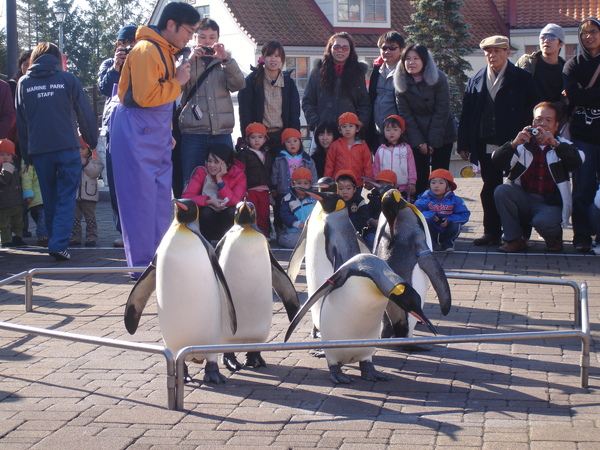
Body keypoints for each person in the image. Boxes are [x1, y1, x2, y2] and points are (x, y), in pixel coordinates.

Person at [108, 3, 199, 272]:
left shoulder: (164, 50)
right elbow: (145, 96)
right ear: (171, 24)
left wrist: (167, 130)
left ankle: (160, 262)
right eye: (189, 30)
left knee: (160, 200)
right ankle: (141, 268)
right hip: (137, 128)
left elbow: (157, 98)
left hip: (151, 129)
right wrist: (179, 81)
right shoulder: (148, 49)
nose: (189, 37)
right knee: (139, 201)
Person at [16, 42, 98, 261]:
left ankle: (55, 240)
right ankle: (58, 242)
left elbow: (22, 122)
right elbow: (84, 112)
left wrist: (26, 155)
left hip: (40, 150)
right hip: (67, 147)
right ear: (57, 59)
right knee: (66, 197)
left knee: (49, 197)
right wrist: (91, 141)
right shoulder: (68, 80)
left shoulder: (24, 83)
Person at [457, 35, 539, 246]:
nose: (492, 56)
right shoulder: (476, 79)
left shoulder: (522, 78)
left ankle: (519, 233)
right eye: (488, 52)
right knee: (489, 188)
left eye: (497, 51)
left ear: (507, 52)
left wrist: (531, 136)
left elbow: (534, 109)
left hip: (516, 143)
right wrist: (464, 143)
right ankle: (491, 232)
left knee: (517, 187)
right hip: (487, 142)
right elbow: (467, 114)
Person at [492, 102, 584, 253]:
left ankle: (554, 238)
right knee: (502, 191)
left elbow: (578, 161)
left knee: (543, 221)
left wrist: (555, 144)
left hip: (548, 203)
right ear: (533, 123)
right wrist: (514, 143)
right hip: (525, 197)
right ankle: (515, 239)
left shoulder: (563, 145)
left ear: (556, 125)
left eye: (549, 120)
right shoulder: (523, 145)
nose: (543, 124)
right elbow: (497, 161)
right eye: (539, 119)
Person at [178, 18, 245, 184]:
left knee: (225, 180)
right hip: (194, 133)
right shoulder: (184, 59)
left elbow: (239, 84)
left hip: (221, 132)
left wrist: (226, 61)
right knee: (192, 180)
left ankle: (221, 210)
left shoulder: (225, 60)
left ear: (218, 39)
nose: (207, 41)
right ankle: (191, 210)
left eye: (211, 37)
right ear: (194, 38)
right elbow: (174, 87)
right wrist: (189, 61)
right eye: (202, 37)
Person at [394, 43, 457, 195]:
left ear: (425, 61)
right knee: (419, 180)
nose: (411, 62)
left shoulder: (439, 77)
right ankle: (421, 214)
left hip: (442, 135)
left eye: (416, 58)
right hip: (416, 137)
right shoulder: (400, 81)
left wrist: (433, 142)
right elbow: (405, 114)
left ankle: (443, 212)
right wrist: (420, 143)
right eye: (407, 58)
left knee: (440, 179)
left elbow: (442, 109)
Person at [97, 25, 137, 248]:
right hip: (114, 129)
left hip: (138, 129)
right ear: (118, 45)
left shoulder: (144, 62)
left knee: (137, 182)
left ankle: (140, 228)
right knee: (116, 184)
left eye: (134, 42)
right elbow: (104, 88)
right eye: (125, 43)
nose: (129, 46)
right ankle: (123, 231)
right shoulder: (108, 64)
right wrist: (117, 66)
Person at [563, 17, 600, 252]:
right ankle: (582, 236)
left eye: (594, 31)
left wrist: (583, 93)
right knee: (583, 188)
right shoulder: (572, 65)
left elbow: (577, 94)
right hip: (582, 136)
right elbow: (573, 98)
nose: (589, 36)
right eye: (585, 33)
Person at [238, 41, 301, 158]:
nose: (273, 60)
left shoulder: (288, 83)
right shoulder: (252, 81)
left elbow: (294, 113)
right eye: (270, 55)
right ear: (263, 58)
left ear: (282, 59)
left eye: (277, 56)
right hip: (259, 137)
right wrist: (248, 137)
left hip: (282, 136)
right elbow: (245, 112)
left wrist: (294, 137)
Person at [302, 32, 371, 131]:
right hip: (324, 131)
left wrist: (360, 122)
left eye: (345, 48)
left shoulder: (357, 74)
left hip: (348, 131)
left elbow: (364, 102)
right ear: (330, 48)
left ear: (350, 51)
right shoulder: (318, 72)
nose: (340, 51)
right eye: (337, 47)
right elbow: (308, 101)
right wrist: (314, 122)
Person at [181, 143, 246, 241]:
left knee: (232, 211)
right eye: (209, 161)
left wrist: (220, 180)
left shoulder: (238, 174)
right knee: (206, 212)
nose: (211, 165)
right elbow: (186, 198)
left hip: (226, 220)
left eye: (216, 162)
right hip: (207, 222)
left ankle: (227, 243)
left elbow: (235, 201)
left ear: (227, 164)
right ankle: (205, 243)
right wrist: (208, 202)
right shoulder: (202, 171)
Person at [271, 128, 317, 233]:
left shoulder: (307, 159)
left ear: (301, 142)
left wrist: (313, 190)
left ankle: (303, 229)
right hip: (284, 190)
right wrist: (274, 188)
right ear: (284, 144)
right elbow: (275, 174)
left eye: (295, 141)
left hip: (303, 191)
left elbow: (313, 175)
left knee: (301, 210)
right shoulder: (280, 158)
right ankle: (281, 231)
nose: (292, 144)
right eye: (288, 141)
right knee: (283, 212)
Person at [415, 169, 470, 252]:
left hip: (447, 227)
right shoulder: (424, 199)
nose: (436, 186)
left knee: (456, 225)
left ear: (449, 186)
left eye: (441, 183)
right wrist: (430, 215)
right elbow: (416, 213)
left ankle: (447, 243)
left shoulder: (455, 200)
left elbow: (464, 215)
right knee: (425, 223)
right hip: (432, 226)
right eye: (433, 183)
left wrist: (449, 219)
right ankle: (432, 244)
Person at [368, 31, 405, 150]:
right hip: (378, 134)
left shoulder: (406, 72)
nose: (387, 51)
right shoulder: (376, 70)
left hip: (398, 136)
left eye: (392, 48)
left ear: (401, 50)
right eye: (384, 48)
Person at [235, 122, 273, 237]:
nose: (257, 140)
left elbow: (271, 172)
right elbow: (241, 173)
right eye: (253, 137)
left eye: (260, 137)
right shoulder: (244, 154)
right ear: (247, 139)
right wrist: (244, 188)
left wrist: (273, 188)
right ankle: (251, 234)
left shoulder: (268, 154)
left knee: (264, 213)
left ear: (265, 139)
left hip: (265, 190)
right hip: (251, 189)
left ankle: (264, 234)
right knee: (251, 213)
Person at [516, 24, 566, 103]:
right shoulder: (526, 63)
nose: (546, 40)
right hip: (531, 113)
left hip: (558, 113)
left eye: (551, 37)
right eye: (543, 37)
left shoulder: (566, 69)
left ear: (561, 44)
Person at [70, 136, 105, 247]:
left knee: (90, 218)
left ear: (89, 150)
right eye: (78, 149)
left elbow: (95, 173)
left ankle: (91, 237)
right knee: (75, 218)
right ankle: (76, 237)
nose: (80, 151)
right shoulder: (71, 161)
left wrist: (85, 163)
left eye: (83, 149)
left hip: (89, 195)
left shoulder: (95, 161)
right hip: (75, 195)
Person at [373, 114, 416, 199]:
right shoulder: (381, 150)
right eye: (388, 130)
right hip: (385, 186)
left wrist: (412, 182)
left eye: (395, 129)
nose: (391, 132)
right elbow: (375, 168)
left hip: (403, 187)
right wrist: (375, 183)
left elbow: (411, 167)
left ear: (401, 131)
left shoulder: (406, 148)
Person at [324, 112, 373, 187]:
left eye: (351, 126)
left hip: (357, 184)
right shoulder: (335, 145)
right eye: (344, 126)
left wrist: (368, 181)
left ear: (357, 128)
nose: (347, 129)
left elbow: (367, 166)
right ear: (340, 130)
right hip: (338, 184)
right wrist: (327, 181)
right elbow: (329, 165)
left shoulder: (362, 145)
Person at [278, 167, 317, 249]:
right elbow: (284, 214)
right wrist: (295, 223)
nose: (302, 186)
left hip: (312, 230)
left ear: (311, 184)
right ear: (293, 184)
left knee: (316, 243)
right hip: (295, 230)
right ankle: (282, 237)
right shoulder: (288, 199)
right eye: (299, 183)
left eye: (305, 183)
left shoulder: (315, 198)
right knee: (293, 243)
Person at [0, 139, 24, 248]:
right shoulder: (6, 168)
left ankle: (17, 237)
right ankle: (5, 240)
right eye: (1, 155)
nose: (5, 157)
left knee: (18, 222)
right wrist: (5, 172)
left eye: (8, 155)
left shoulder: (14, 166)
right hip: (4, 202)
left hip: (17, 201)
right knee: (4, 223)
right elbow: (3, 181)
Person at [364, 170, 397, 248]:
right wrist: (372, 221)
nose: (384, 186)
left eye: (388, 183)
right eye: (381, 183)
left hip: (393, 232)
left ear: (395, 185)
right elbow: (366, 214)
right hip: (374, 231)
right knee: (371, 239)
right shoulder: (374, 198)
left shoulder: (398, 199)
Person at [21, 159, 47, 246]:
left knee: (43, 217)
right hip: (37, 195)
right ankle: (43, 237)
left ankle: (46, 235)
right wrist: (28, 193)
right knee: (42, 216)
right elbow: (26, 176)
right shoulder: (29, 158)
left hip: (48, 195)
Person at [336, 170, 368, 235]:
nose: (345, 192)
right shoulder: (333, 201)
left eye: (348, 188)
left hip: (355, 233)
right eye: (341, 188)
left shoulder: (359, 201)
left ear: (354, 189)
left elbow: (364, 218)